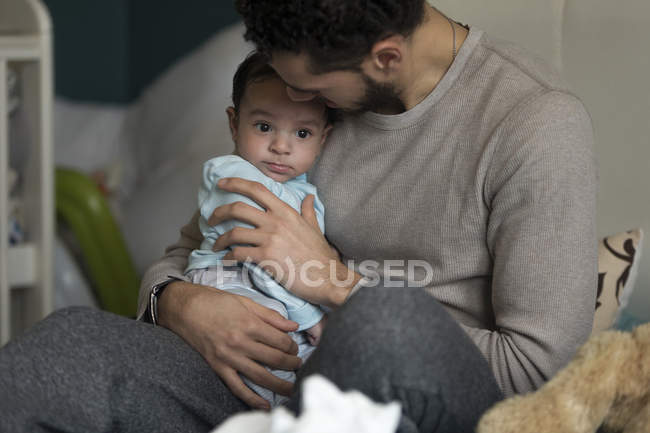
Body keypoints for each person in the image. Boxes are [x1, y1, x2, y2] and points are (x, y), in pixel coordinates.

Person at [0, 1, 596, 432]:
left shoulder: (533, 126)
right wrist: (177, 302)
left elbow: (535, 372)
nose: (293, 96)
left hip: (416, 395)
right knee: (66, 343)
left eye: (310, 86)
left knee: (386, 324)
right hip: (270, 382)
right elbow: (191, 248)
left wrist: (335, 285)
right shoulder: (300, 104)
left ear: (384, 57)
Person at [185, 51, 333, 407]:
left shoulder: (305, 191)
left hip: (281, 296)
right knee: (270, 368)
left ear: (323, 139)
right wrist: (311, 315)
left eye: (302, 133)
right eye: (264, 127)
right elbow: (262, 260)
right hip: (231, 282)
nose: (281, 147)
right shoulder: (231, 176)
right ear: (235, 124)